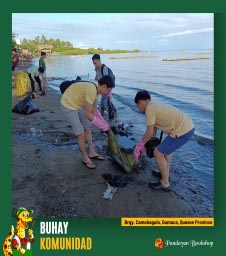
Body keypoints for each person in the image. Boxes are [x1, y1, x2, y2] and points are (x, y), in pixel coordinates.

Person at [134, 90, 195, 191]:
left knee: (158, 153)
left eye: (138, 106)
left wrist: (139, 146)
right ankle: (165, 173)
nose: (139, 109)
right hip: (187, 127)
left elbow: (149, 132)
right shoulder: (155, 106)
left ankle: (165, 183)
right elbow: (153, 132)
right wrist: (144, 146)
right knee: (166, 151)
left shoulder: (150, 108)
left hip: (183, 131)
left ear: (141, 102)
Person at [60, 75, 115, 169]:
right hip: (68, 105)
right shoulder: (92, 90)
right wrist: (102, 126)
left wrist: (103, 122)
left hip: (78, 103)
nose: (108, 93)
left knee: (88, 128)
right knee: (81, 134)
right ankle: (85, 158)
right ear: (104, 86)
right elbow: (88, 115)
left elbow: (93, 109)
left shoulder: (98, 88)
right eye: (109, 90)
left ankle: (92, 152)